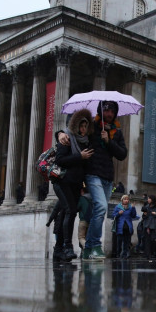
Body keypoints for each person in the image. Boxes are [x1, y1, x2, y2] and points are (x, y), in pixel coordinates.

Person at [60, 100, 127, 260]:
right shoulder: (92, 126)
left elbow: (122, 154)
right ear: (100, 110)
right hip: (92, 173)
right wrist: (60, 133)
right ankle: (95, 245)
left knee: (100, 211)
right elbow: (75, 130)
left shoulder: (116, 132)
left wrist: (108, 141)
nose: (109, 114)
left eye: (112, 111)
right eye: (106, 110)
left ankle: (88, 248)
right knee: (101, 206)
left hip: (108, 176)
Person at [53, 109, 94, 261]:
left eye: (85, 126)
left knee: (67, 213)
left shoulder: (86, 142)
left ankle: (58, 249)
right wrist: (79, 156)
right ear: (75, 126)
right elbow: (60, 160)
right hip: (63, 182)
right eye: (81, 126)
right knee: (70, 211)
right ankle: (67, 246)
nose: (83, 130)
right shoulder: (66, 139)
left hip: (77, 184)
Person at [112, 195, 137, 259]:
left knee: (127, 242)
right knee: (119, 242)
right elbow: (113, 215)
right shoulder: (118, 207)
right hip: (120, 227)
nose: (126, 200)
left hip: (128, 227)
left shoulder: (130, 207)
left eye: (127, 199)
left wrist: (133, 208)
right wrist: (118, 213)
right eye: (125, 199)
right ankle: (118, 254)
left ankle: (125, 255)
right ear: (122, 200)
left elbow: (133, 216)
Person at [141, 195, 156, 259]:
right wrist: (144, 214)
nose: (148, 199)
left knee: (153, 240)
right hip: (147, 225)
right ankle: (148, 255)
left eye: (149, 198)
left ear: (152, 199)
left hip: (153, 226)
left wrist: (155, 213)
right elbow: (143, 217)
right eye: (148, 198)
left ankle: (153, 253)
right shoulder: (147, 206)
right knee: (147, 241)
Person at [76, 186, 92, 253]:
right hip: (91, 221)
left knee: (81, 237)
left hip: (83, 220)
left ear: (82, 191)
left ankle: (87, 247)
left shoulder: (82, 198)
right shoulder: (93, 199)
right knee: (88, 238)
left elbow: (77, 208)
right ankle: (84, 253)